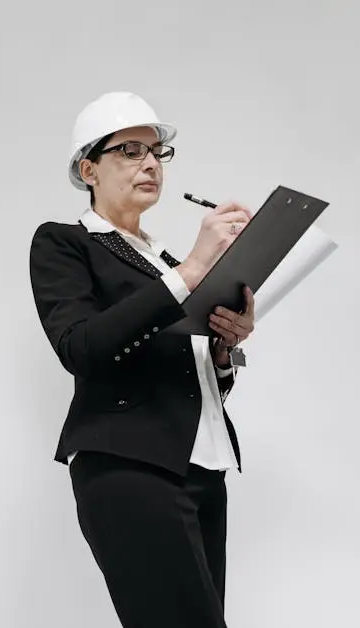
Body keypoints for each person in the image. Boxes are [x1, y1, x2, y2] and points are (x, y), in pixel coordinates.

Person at [28, 92, 257, 628]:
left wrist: (225, 347)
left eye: (158, 152)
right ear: (89, 169)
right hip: (128, 464)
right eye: (130, 150)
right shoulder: (65, 243)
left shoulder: (165, 260)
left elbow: (193, 379)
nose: (151, 163)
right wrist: (193, 270)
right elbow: (79, 347)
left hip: (202, 465)